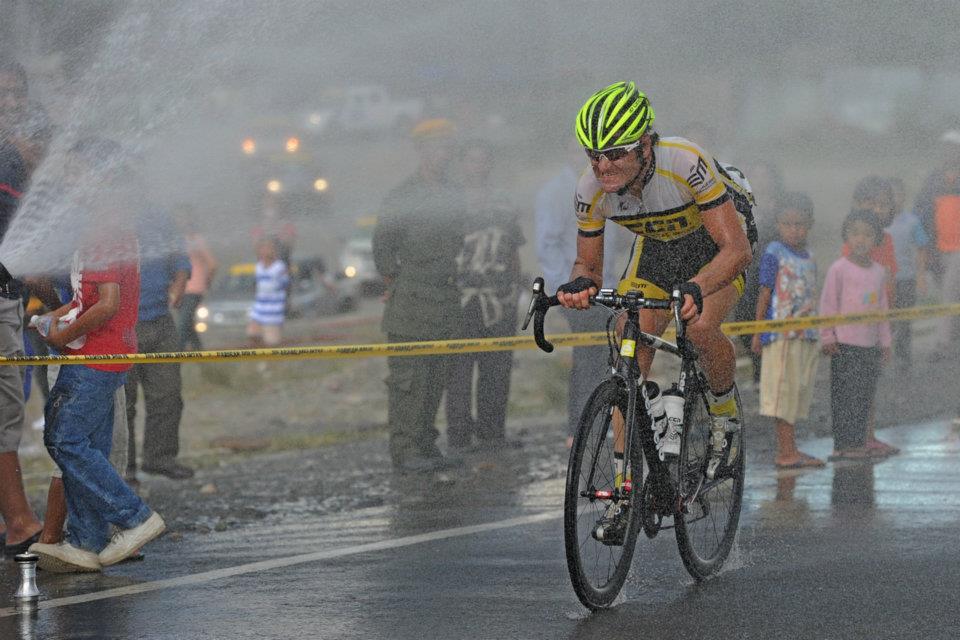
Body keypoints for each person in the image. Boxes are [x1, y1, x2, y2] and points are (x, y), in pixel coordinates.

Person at [560, 82, 755, 481]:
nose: (603, 167)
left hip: (716, 243)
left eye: (616, 154)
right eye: (594, 156)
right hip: (659, 247)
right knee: (629, 342)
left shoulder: (684, 161)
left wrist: (698, 286)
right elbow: (587, 266)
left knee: (699, 326)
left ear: (645, 145)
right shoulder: (590, 190)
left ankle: (724, 418)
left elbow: (736, 250)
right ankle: (625, 483)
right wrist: (578, 285)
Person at [28, 138, 165, 572]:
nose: (68, 184)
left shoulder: (103, 232)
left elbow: (106, 305)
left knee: (63, 439)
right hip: (108, 354)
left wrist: (62, 335)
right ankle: (86, 542)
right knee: (91, 447)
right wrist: (53, 318)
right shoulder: (110, 228)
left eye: (75, 175)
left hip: (93, 357)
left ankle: (135, 517)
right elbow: (88, 299)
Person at [372, 118, 464, 474]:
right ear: (422, 150)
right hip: (411, 301)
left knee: (436, 377)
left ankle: (425, 442)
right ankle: (405, 449)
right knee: (409, 380)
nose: (445, 154)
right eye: (438, 147)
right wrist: (401, 284)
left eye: (448, 147)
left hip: (444, 298)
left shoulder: (453, 193)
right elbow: (383, 251)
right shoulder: (402, 196)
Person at [535, 141, 634, 448]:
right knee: (588, 357)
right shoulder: (556, 192)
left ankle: (599, 423)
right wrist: (563, 287)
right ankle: (578, 428)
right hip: (576, 290)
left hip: (606, 288)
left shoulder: (606, 187)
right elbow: (546, 244)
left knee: (606, 356)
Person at [444, 142, 524, 451]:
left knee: (497, 368)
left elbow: (514, 248)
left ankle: (492, 432)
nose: (477, 166)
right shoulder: (448, 202)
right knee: (459, 371)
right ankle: (459, 435)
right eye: (471, 160)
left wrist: (516, 288)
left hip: (500, 299)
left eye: (483, 160)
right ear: (461, 164)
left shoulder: (504, 202)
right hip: (461, 300)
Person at [0, 58, 45, 557]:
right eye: (2, 95)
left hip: (9, 298)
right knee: (4, 408)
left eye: (17, 93)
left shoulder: (17, 154)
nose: (10, 104)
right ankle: (18, 521)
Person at [751, 192, 823, 469]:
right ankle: (785, 452)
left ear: (810, 224)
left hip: (805, 335)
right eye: (788, 224)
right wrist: (758, 331)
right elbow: (765, 292)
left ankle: (792, 448)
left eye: (800, 224)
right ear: (778, 225)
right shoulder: (774, 253)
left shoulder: (811, 256)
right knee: (781, 394)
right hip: (780, 336)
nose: (794, 230)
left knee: (797, 393)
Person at [125, 207, 193, 482]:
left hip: (160, 319)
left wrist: (181, 279)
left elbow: (180, 256)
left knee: (168, 394)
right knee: (123, 402)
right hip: (120, 326)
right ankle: (125, 468)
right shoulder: (106, 220)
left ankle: (160, 458)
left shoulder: (159, 216)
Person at [820, 209, 892, 462]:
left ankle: (859, 442)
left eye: (868, 234)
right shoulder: (838, 269)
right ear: (846, 237)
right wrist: (827, 336)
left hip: (869, 346)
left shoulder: (879, 272)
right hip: (845, 345)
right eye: (855, 233)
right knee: (844, 397)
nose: (861, 239)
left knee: (864, 396)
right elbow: (828, 303)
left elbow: (882, 309)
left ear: (877, 239)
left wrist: (885, 342)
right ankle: (843, 445)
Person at [842, 176, 899, 456]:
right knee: (856, 385)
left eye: (882, 204)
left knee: (871, 381)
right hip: (857, 326)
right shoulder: (854, 243)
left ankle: (869, 435)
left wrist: (891, 316)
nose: (876, 209)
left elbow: (891, 280)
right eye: (869, 203)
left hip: (880, 322)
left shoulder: (887, 241)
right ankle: (855, 439)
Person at [734, 161, 785, 388]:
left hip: (774, 269)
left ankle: (770, 371)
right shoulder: (741, 204)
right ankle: (757, 366)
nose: (762, 181)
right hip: (748, 269)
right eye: (757, 176)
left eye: (766, 176)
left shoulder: (781, 208)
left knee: (770, 315)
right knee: (745, 317)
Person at [916, 131, 960, 354]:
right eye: (946, 147)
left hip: (958, 249)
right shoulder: (933, 179)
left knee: (948, 294)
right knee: (948, 291)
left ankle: (942, 343)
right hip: (938, 247)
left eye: (953, 148)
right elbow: (921, 210)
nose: (949, 152)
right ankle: (953, 337)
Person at [886, 177, 930, 371]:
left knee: (904, 320)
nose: (894, 199)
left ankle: (903, 359)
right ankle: (881, 356)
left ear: (904, 196)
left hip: (906, 278)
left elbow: (921, 248)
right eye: (890, 195)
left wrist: (921, 277)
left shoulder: (912, 221)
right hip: (884, 281)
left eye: (898, 194)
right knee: (885, 320)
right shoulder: (878, 221)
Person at [176, 204, 217, 351]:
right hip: (181, 290)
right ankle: (201, 357)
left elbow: (212, 264)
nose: (180, 221)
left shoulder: (196, 239)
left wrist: (206, 282)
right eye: (178, 217)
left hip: (194, 289)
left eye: (183, 217)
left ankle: (176, 357)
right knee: (188, 326)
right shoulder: (177, 240)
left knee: (182, 326)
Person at [246, 236, 288, 347]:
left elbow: (285, 286)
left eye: (268, 248)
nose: (265, 251)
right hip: (259, 308)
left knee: (272, 343)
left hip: (273, 311)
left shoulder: (279, 267)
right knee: (253, 334)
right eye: (262, 248)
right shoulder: (258, 267)